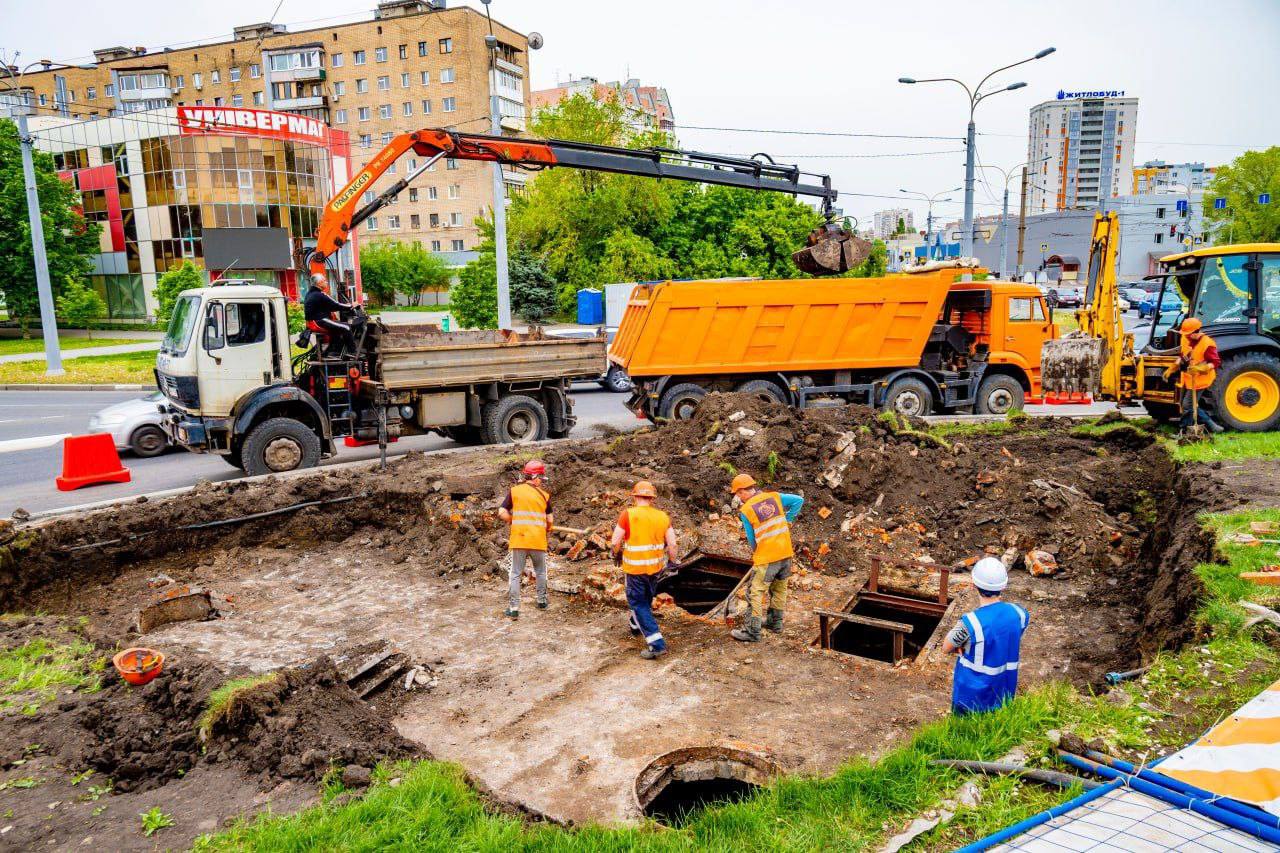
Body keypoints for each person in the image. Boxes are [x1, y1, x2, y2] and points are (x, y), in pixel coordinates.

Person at [942, 557, 1029, 715]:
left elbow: (946, 647)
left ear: (973, 584)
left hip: (970, 698)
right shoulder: (1020, 614)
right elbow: (1005, 638)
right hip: (1004, 693)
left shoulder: (970, 623)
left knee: (962, 735)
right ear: (1003, 585)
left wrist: (963, 645)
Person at [727, 473, 804, 643]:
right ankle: (775, 624)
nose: (739, 498)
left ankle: (752, 632)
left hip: (767, 557)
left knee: (754, 593)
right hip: (785, 553)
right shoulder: (774, 497)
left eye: (738, 494)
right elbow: (798, 500)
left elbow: (751, 539)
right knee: (779, 590)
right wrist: (788, 520)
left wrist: (757, 553)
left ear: (742, 491)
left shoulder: (746, 510)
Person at [610, 481, 680, 660]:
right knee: (646, 598)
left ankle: (656, 644)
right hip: (654, 568)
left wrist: (615, 554)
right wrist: (672, 562)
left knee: (638, 603)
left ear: (634, 496)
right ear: (652, 498)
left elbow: (615, 541)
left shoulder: (628, 514)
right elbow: (672, 543)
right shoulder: (663, 516)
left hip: (634, 569)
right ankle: (635, 625)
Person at [498, 459, 553, 618]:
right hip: (537, 540)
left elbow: (501, 512)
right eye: (541, 478)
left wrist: (511, 520)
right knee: (541, 572)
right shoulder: (544, 496)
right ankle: (542, 601)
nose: (542, 482)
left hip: (519, 540)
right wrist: (547, 529)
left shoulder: (514, 491)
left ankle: (514, 608)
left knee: (515, 573)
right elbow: (550, 521)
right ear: (535, 477)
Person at [1175, 317, 1224, 433]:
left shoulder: (1208, 344)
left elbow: (1216, 362)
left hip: (1201, 379)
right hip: (1188, 378)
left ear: (1196, 331)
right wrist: (1176, 364)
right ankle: (1213, 427)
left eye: (1188, 334)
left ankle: (1184, 431)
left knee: (1187, 405)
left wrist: (1201, 368)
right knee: (1187, 404)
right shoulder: (1185, 338)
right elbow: (1184, 355)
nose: (1186, 336)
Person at [304, 273, 356, 356]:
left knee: (338, 327)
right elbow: (336, 305)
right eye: (325, 281)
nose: (327, 282)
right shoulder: (320, 295)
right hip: (320, 321)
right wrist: (351, 306)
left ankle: (334, 351)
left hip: (314, 321)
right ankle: (353, 353)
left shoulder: (310, 294)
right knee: (346, 327)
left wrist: (346, 307)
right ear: (319, 283)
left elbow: (331, 307)